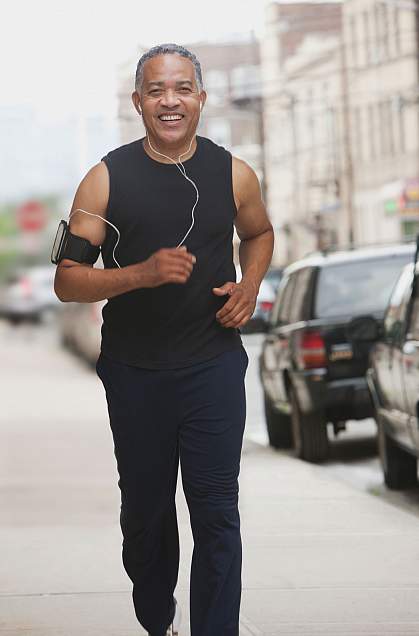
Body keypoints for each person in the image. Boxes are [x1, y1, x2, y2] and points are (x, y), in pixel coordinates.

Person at [54, 43, 274, 636]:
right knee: (147, 521)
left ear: (201, 97)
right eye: (156, 91)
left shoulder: (234, 173)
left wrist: (250, 285)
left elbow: (259, 234)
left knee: (217, 513)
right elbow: (67, 282)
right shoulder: (103, 180)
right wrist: (141, 275)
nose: (170, 101)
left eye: (182, 89)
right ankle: (158, 620)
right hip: (136, 372)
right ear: (138, 102)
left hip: (213, 367)